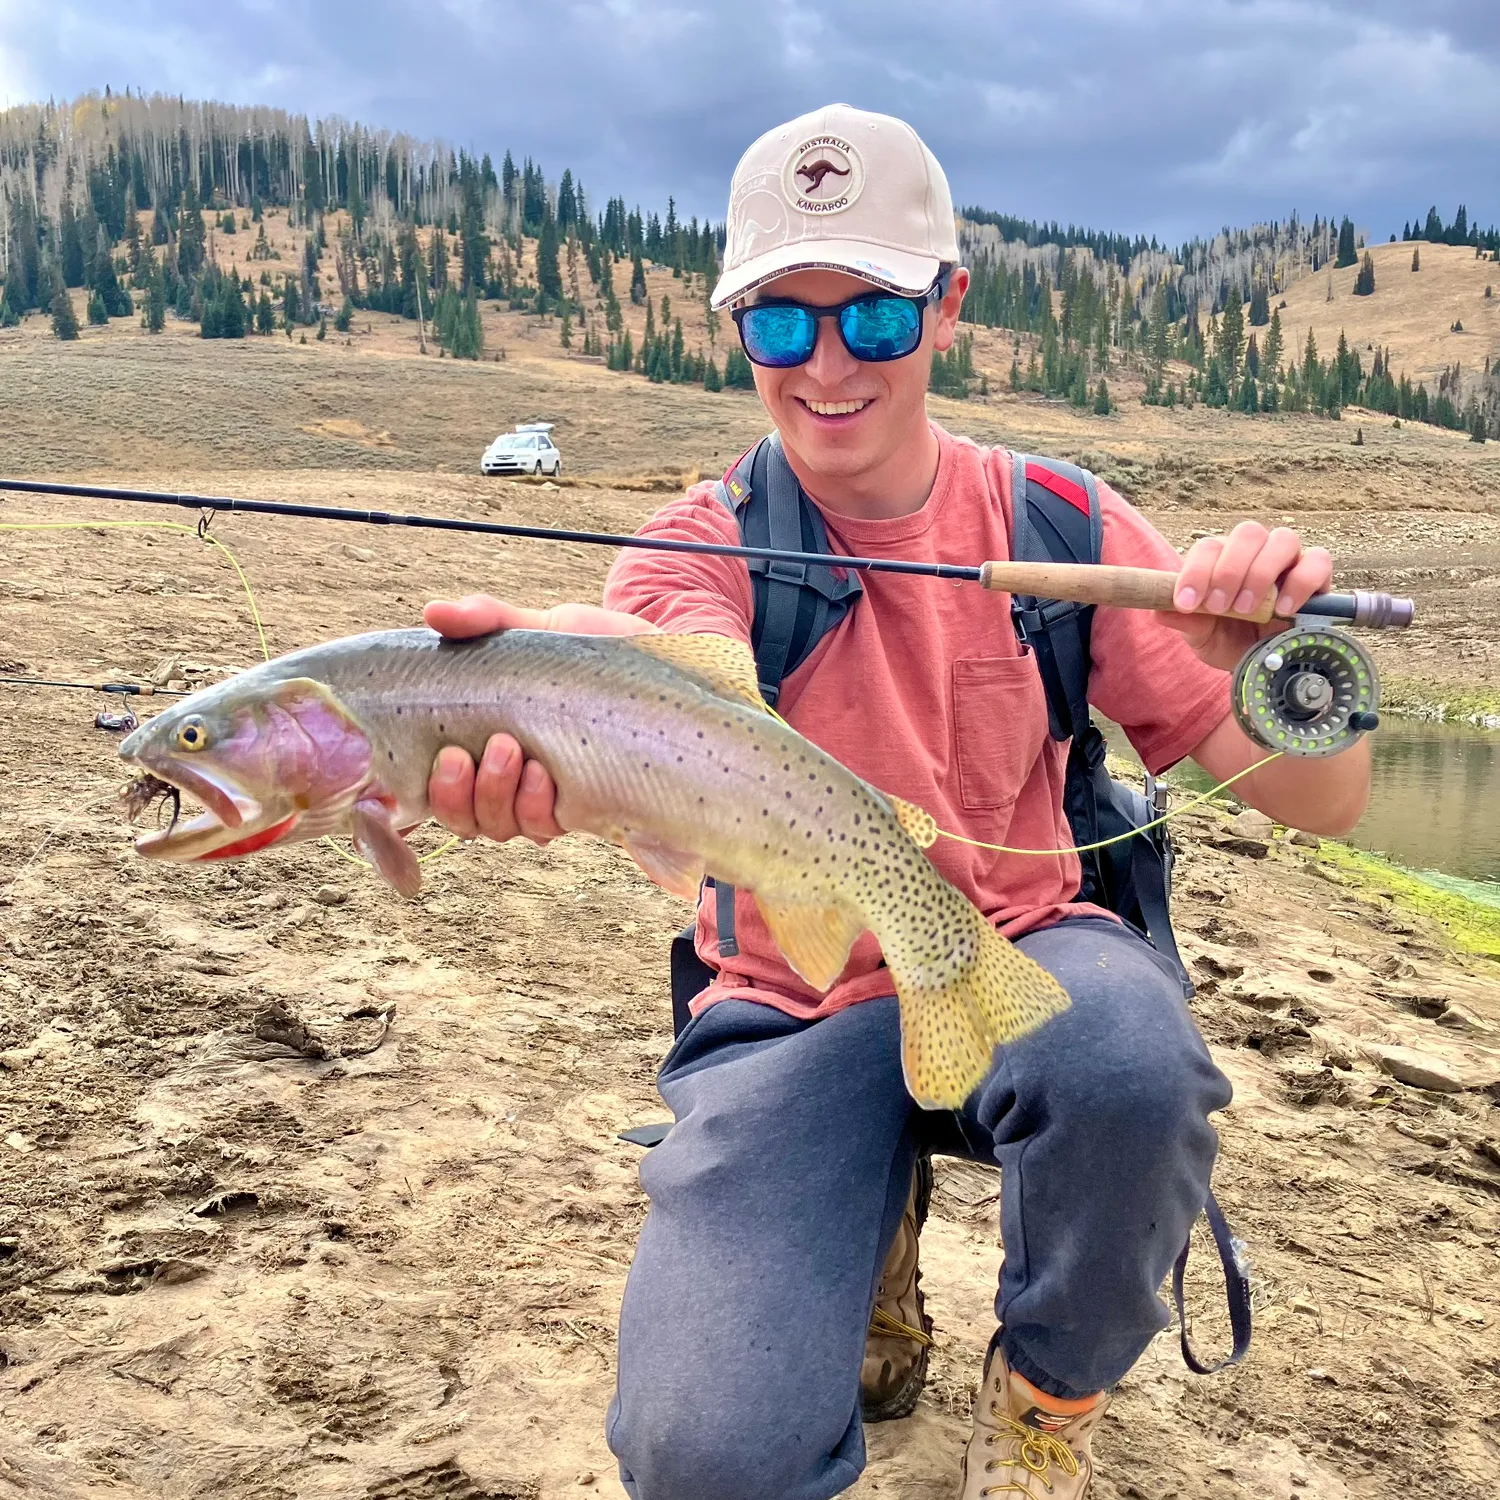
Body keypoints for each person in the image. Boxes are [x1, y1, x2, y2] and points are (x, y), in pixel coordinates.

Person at [423, 104, 1370, 1500]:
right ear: (734, 327)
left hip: (1027, 945)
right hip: (787, 999)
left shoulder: (1062, 522)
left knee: (1129, 1067)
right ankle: (864, 1235)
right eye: (779, 323)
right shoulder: (696, 547)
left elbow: (1330, 800)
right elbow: (650, 660)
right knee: (702, 1460)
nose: (825, 365)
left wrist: (1288, 664)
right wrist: (557, 692)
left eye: (871, 318)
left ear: (947, 309)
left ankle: (1047, 1395)